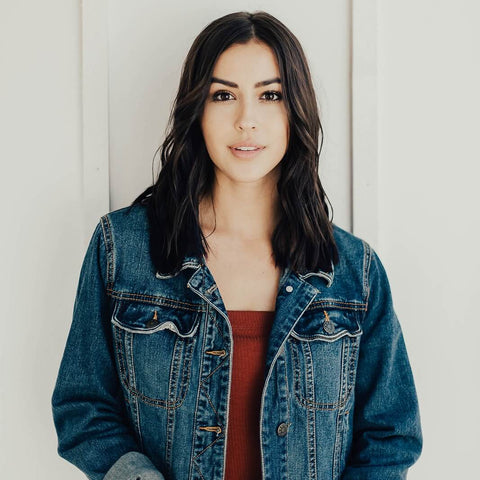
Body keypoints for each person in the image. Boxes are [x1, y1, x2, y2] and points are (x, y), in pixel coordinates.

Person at [51, 10, 422, 480]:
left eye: (270, 96)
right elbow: (82, 407)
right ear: (197, 110)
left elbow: (391, 434)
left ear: (296, 111)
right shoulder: (123, 249)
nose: (247, 120)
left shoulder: (352, 271)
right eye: (223, 95)